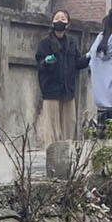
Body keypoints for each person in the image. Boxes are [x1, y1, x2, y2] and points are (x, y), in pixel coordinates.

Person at [35, 9, 84, 148]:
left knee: (70, 123)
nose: (60, 21)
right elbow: (39, 64)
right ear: (52, 22)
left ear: (68, 24)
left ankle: (68, 154)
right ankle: (52, 155)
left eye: (63, 19)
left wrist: (89, 57)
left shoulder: (72, 43)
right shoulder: (45, 43)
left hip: (68, 91)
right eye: (57, 18)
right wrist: (46, 61)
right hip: (51, 90)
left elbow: (77, 63)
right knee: (52, 127)